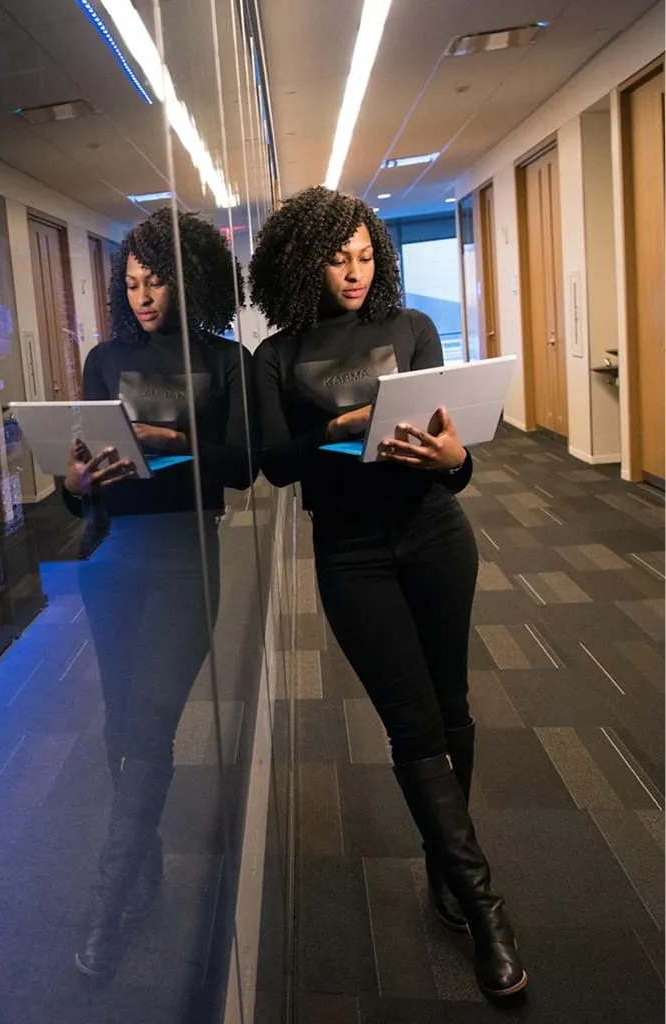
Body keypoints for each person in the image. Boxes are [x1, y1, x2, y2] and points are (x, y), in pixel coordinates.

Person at [248, 186, 526, 998]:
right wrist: (333, 430)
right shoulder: (277, 355)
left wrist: (454, 462)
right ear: (304, 262)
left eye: (367, 256)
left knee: (451, 707)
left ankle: (445, 862)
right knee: (410, 727)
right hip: (350, 554)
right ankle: (484, 910)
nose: (355, 272)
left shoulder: (411, 329)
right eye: (338, 259)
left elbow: (454, 453)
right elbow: (273, 461)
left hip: (435, 534)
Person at [62, 207, 255, 982]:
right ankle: (144, 867)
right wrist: (74, 484)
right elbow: (78, 483)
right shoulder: (104, 359)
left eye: (157, 281)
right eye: (133, 283)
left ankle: (108, 904)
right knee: (118, 725)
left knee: (147, 727)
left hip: (185, 559)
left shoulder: (223, 359)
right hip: (112, 555)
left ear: (189, 279)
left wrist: (176, 443)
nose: (143, 296)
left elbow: (244, 467)